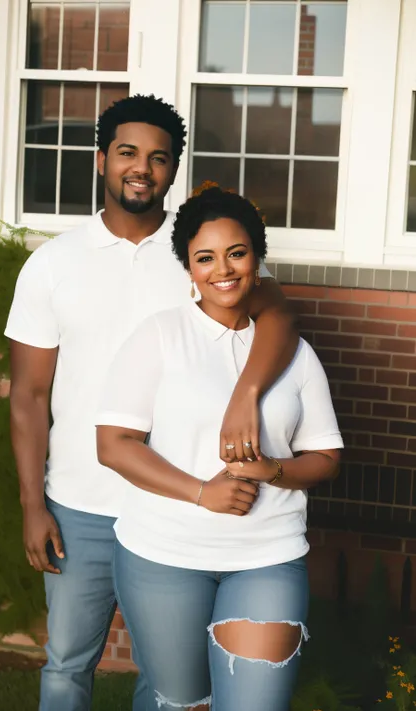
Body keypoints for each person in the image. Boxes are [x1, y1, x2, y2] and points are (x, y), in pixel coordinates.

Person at [5, 95, 298, 711]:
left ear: (173, 170)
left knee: (170, 681)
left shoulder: (200, 251)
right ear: (101, 160)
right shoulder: (52, 264)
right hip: (80, 506)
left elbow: (278, 316)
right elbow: (30, 396)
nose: (142, 168)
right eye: (128, 153)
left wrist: (248, 393)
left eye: (159, 158)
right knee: (66, 664)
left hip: (178, 507)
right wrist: (34, 504)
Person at [96, 186, 343, 711]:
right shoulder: (159, 336)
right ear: (188, 268)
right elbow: (114, 446)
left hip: (267, 557)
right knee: (181, 703)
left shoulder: (295, 354)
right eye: (204, 257)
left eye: (237, 252)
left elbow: (326, 458)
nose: (223, 270)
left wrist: (273, 470)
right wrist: (201, 491)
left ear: (258, 259)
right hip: (163, 555)